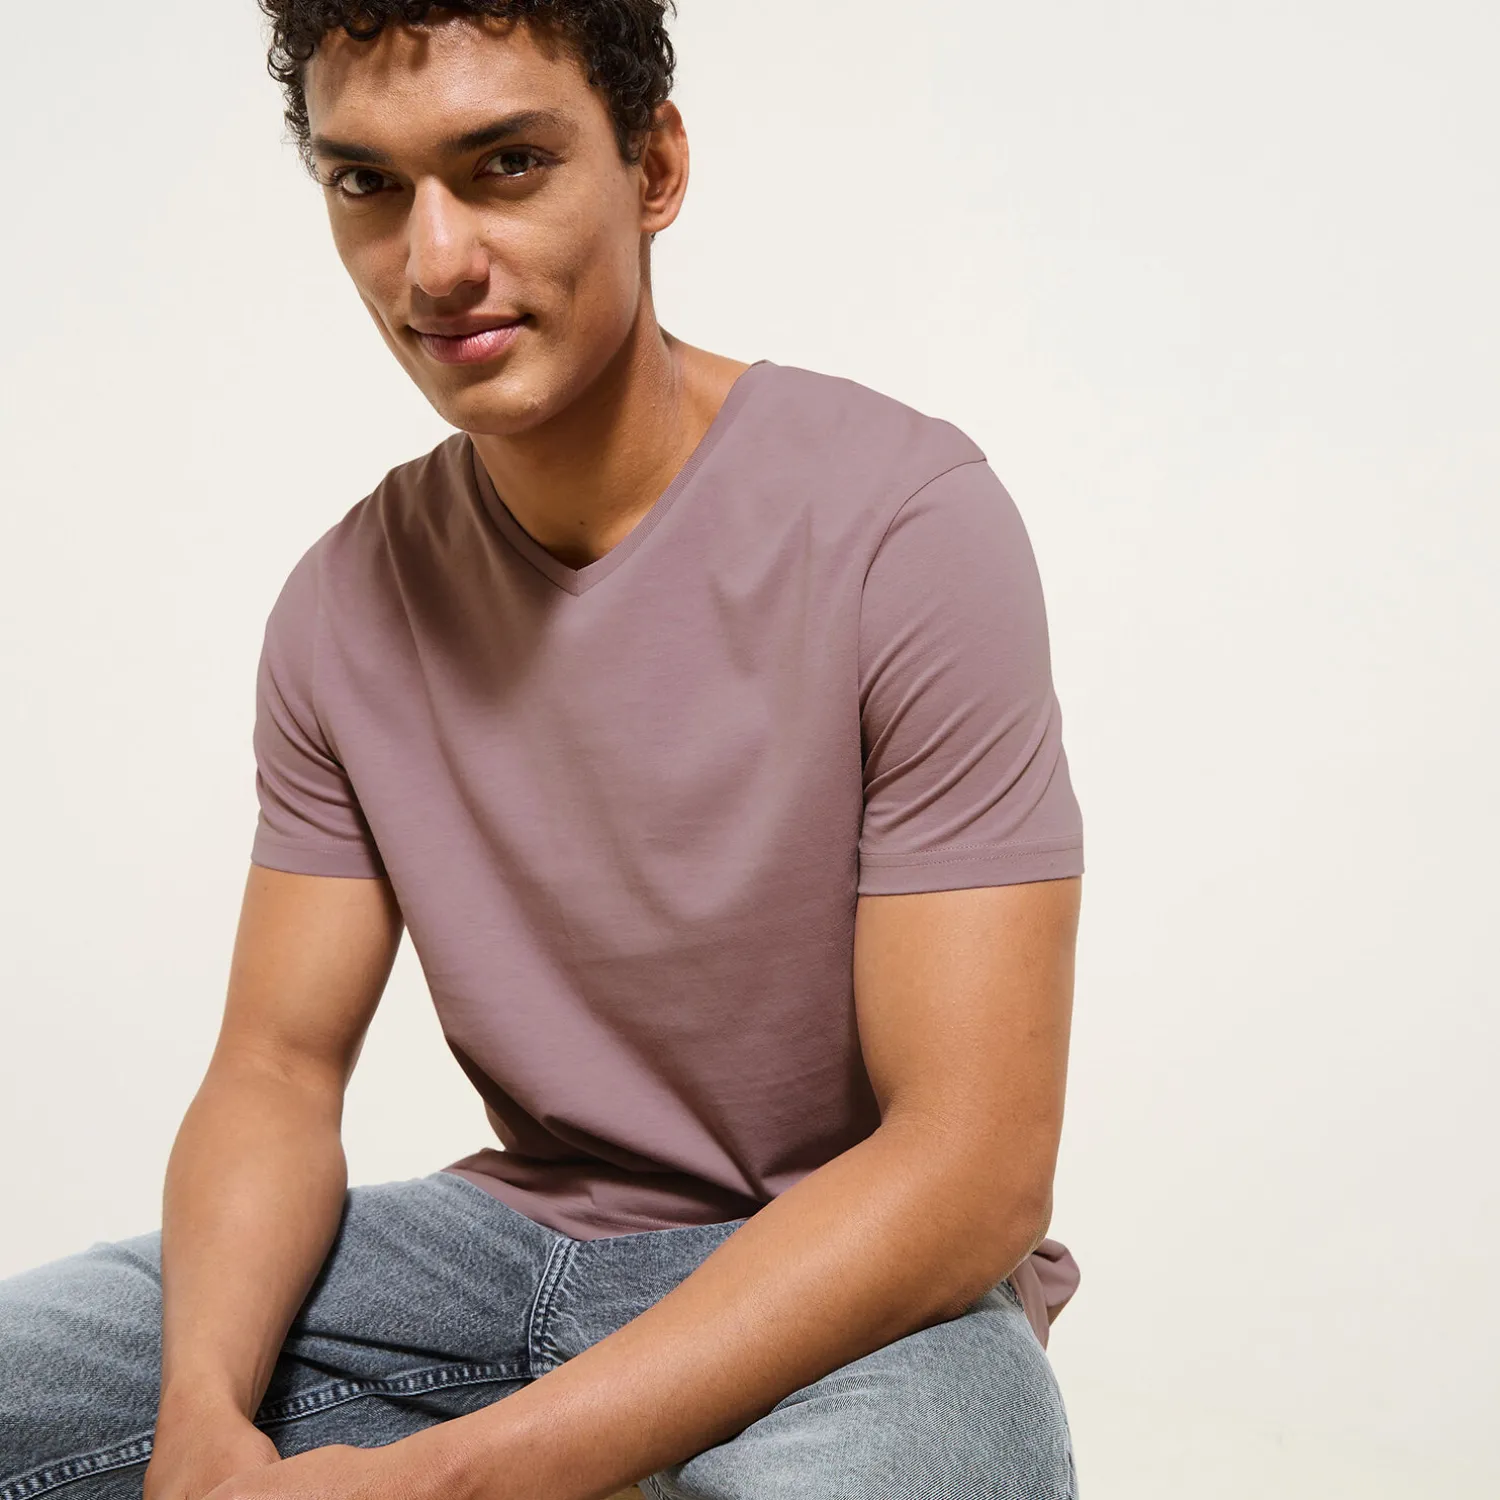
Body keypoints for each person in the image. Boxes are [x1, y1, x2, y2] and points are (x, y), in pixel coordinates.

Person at [0, 3, 1086, 1497]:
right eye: (368, 183)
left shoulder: (902, 524)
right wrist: (199, 1431)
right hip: (496, 1258)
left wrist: (451, 1480)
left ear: (655, 169)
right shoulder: (345, 603)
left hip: (858, 1295)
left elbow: (971, 1169)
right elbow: (275, 1070)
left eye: (505, 163)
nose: (435, 262)